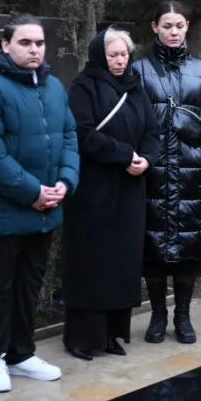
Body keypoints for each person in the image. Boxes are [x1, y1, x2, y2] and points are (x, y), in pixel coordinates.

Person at [0, 13, 79, 393]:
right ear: (5, 45)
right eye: (25, 43)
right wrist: (33, 192)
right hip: (4, 210)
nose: (34, 50)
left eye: (39, 43)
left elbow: (69, 136)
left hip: (44, 210)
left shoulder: (54, 87)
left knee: (30, 285)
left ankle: (21, 353)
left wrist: (65, 181)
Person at [132, 0, 201, 345]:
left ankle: (183, 317)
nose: (173, 32)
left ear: (187, 26)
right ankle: (158, 315)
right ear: (155, 27)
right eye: (166, 25)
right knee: (154, 251)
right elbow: (128, 116)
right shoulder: (138, 70)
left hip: (192, 177)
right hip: (152, 175)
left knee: (189, 252)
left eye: (179, 25)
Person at [61, 26, 162, 361]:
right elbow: (82, 132)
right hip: (94, 188)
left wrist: (146, 159)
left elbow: (152, 130)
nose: (120, 61)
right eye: (113, 55)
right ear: (99, 56)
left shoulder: (135, 86)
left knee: (121, 262)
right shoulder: (84, 85)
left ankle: (110, 334)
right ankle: (80, 337)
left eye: (124, 55)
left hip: (130, 187)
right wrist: (124, 155)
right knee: (91, 261)